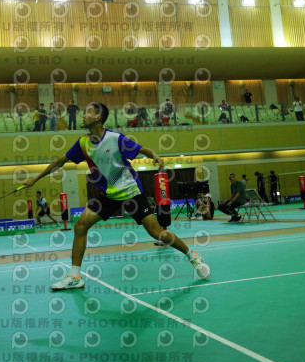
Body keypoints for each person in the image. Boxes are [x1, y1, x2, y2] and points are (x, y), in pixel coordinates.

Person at [22, 102, 210, 290]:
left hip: (130, 191)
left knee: (156, 232)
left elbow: (142, 149)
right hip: (108, 195)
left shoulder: (115, 138)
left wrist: (154, 155)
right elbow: (60, 161)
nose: (83, 115)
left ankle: (192, 256)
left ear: (98, 118)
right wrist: (35, 179)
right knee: (80, 226)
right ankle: (74, 276)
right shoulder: (83, 143)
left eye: (88, 112)